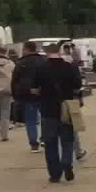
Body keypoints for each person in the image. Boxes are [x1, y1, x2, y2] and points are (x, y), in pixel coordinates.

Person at [31, 42, 82, 183]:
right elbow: (77, 84)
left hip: (48, 109)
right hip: (66, 108)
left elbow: (34, 88)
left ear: (47, 52)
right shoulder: (69, 67)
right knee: (67, 139)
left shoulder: (41, 68)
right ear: (59, 51)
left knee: (50, 142)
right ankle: (66, 161)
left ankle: (54, 173)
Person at [12, 41, 47, 153]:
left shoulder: (21, 63)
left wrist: (17, 94)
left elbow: (16, 81)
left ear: (26, 49)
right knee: (45, 118)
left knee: (30, 120)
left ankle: (33, 144)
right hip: (43, 94)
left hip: (27, 95)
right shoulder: (43, 61)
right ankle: (45, 138)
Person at [61, 43, 88, 162]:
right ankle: (77, 151)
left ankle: (63, 153)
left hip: (56, 100)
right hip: (71, 98)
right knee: (73, 126)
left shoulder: (53, 64)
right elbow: (78, 84)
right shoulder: (73, 64)